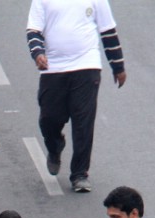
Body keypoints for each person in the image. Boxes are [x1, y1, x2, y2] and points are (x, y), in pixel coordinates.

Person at [25, 0, 124, 193]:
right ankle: (55, 146)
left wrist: (118, 66)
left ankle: (79, 173)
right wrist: (38, 54)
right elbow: (33, 31)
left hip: (86, 65)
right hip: (53, 67)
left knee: (83, 122)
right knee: (49, 119)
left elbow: (108, 31)